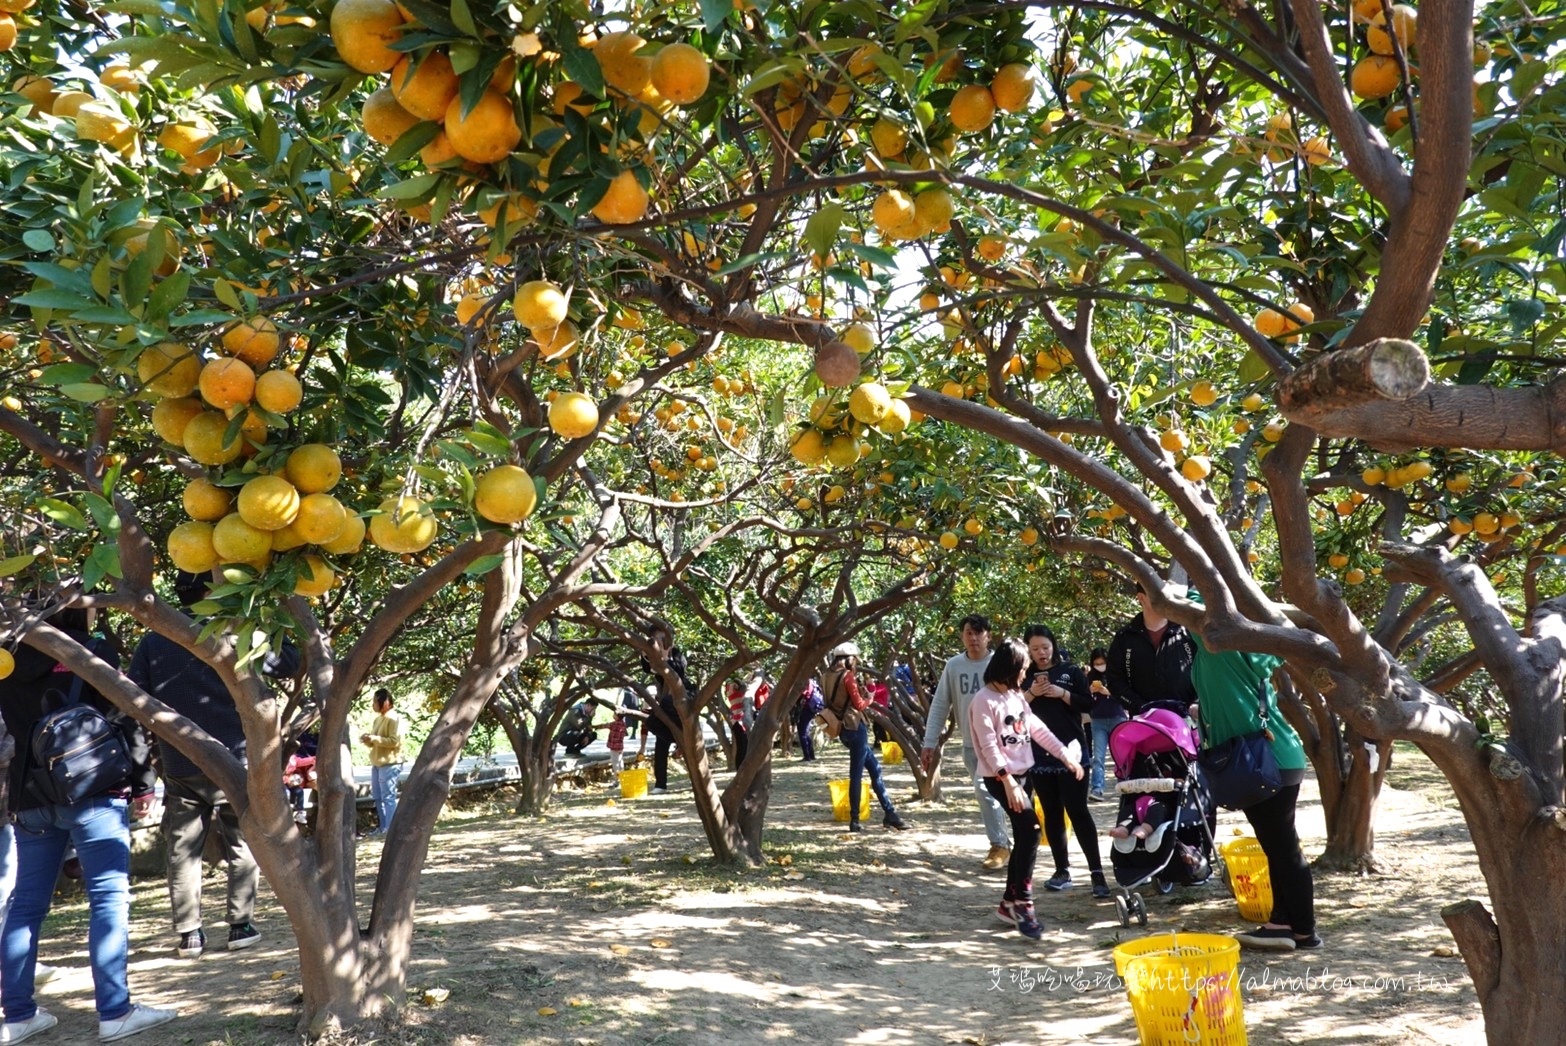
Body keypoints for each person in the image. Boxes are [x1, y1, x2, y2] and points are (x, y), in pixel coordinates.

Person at [3, 608, 177, 1042]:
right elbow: (125, 715)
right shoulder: (93, 649)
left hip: (31, 794)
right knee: (108, 899)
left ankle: (17, 1015)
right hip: (93, 789)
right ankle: (115, 1011)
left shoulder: (6, 656)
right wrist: (143, 783)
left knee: (26, 906)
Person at [130, 573, 296, 959]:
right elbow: (288, 661)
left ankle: (189, 933)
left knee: (183, 847)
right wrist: (265, 622)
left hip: (180, 760)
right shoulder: (236, 633)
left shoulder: (156, 640)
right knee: (242, 840)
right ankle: (240, 925)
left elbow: (133, 695)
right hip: (236, 756)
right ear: (215, 592)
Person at [1189, 613, 1317, 951]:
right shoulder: (1253, 644)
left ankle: (1304, 930)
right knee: (1278, 845)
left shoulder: (1217, 648)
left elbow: (1199, 605)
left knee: (1282, 847)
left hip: (1263, 759)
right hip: (1278, 753)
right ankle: (1283, 922)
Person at [968, 637, 1085, 940]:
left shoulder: (1015, 696)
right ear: (1009, 668)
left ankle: (1008, 903)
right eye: (1022, 669)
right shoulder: (984, 700)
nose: (1025, 676)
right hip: (1000, 779)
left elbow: (1037, 729)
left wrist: (1065, 755)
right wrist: (1007, 782)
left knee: (1024, 835)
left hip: (1023, 776)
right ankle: (1023, 904)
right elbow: (989, 746)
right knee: (1032, 831)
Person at [1022, 625, 1109, 899]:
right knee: (1051, 812)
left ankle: (1097, 873)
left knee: (1078, 810)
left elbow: (1088, 705)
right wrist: (1033, 693)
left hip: (1072, 752)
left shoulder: (1070, 672)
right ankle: (1062, 871)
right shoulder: (1023, 676)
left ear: (1054, 645)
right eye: (1035, 649)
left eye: (1045, 647)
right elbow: (1014, 710)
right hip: (1038, 755)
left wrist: (1062, 694)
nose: (1041, 654)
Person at [920, 614, 1011, 870]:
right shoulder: (954, 666)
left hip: (1002, 743)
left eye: (979, 633)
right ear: (962, 636)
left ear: (988, 636)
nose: (973, 638)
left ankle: (1005, 844)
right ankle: (1001, 845)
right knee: (986, 793)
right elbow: (940, 705)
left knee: (996, 793)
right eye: (969, 633)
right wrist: (930, 742)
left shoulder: (1000, 664)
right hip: (972, 744)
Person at [820, 643, 906, 832]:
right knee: (856, 774)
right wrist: (871, 698)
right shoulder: (847, 676)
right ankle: (855, 820)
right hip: (855, 728)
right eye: (855, 659)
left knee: (875, 770)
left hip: (841, 730)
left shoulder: (824, 676)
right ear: (849, 658)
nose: (856, 663)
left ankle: (890, 813)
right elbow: (859, 704)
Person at [1106, 584, 1197, 716]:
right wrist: (1142, 707)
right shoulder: (1125, 637)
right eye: (1158, 595)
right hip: (1143, 721)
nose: (1165, 600)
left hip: (1186, 720)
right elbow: (1115, 681)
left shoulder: (1187, 633)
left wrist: (1196, 703)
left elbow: (1205, 672)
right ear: (1141, 598)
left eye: (1167, 595)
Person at [641, 620, 690, 794]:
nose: (659, 641)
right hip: (666, 700)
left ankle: (681, 742)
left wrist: (666, 657)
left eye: (662, 637)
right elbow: (647, 668)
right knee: (653, 724)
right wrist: (655, 656)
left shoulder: (676, 653)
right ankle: (660, 784)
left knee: (669, 703)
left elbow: (680, 671)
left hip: (684, 696)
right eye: (656, 638)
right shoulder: (649, 653)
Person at [361, 688, 405, 834]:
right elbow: (375, 741)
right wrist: (368, 740)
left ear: (384, 702)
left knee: (388, 797)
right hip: (377, 763)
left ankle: (390, 828)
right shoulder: (378, 719)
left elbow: (394, 741)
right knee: (378, 798)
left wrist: (374, 739)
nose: (373, 705)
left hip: (390, 763)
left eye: (375, 701)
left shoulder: (394, 718)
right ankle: (383, 827)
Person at [1084, 647, 1122, 801]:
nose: (1100, 665)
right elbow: (1084, 699)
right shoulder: (1090, 677)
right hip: (1098, 720)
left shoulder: (1116, 675)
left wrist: (1110, 692)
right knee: (1098, 757)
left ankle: (1125, 785)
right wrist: (1090, 691)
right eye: (1096, 663)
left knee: (1120, 756)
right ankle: (1097, 789)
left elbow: (1125, 696)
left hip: (1117, 718)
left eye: (1102, 662)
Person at [794, 677, 823, 761]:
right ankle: (811, 755)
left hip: (806, 709)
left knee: (802, 733)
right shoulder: (812, 682)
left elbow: (806, 694)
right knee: (805, 732)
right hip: (810, 709)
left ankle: (807, 756)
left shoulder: (806, 682)